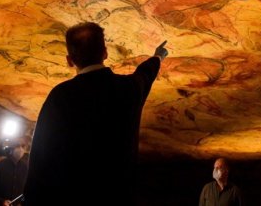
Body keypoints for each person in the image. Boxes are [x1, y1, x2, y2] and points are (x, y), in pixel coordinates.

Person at [24, 22, 169, 204]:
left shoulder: (61, 96)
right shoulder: (128, 89)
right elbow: (144, 75)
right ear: (105, 53)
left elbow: (41, 156)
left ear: (69, 60)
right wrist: (157, 57)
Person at [0, 139, 29, 206]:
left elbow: (25, 193)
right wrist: (1, 202)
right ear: (12, 148)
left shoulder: (25, 168)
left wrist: (21, 202)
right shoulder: (0, 165)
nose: (20, 149)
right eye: (17, 145)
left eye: (23, 146)